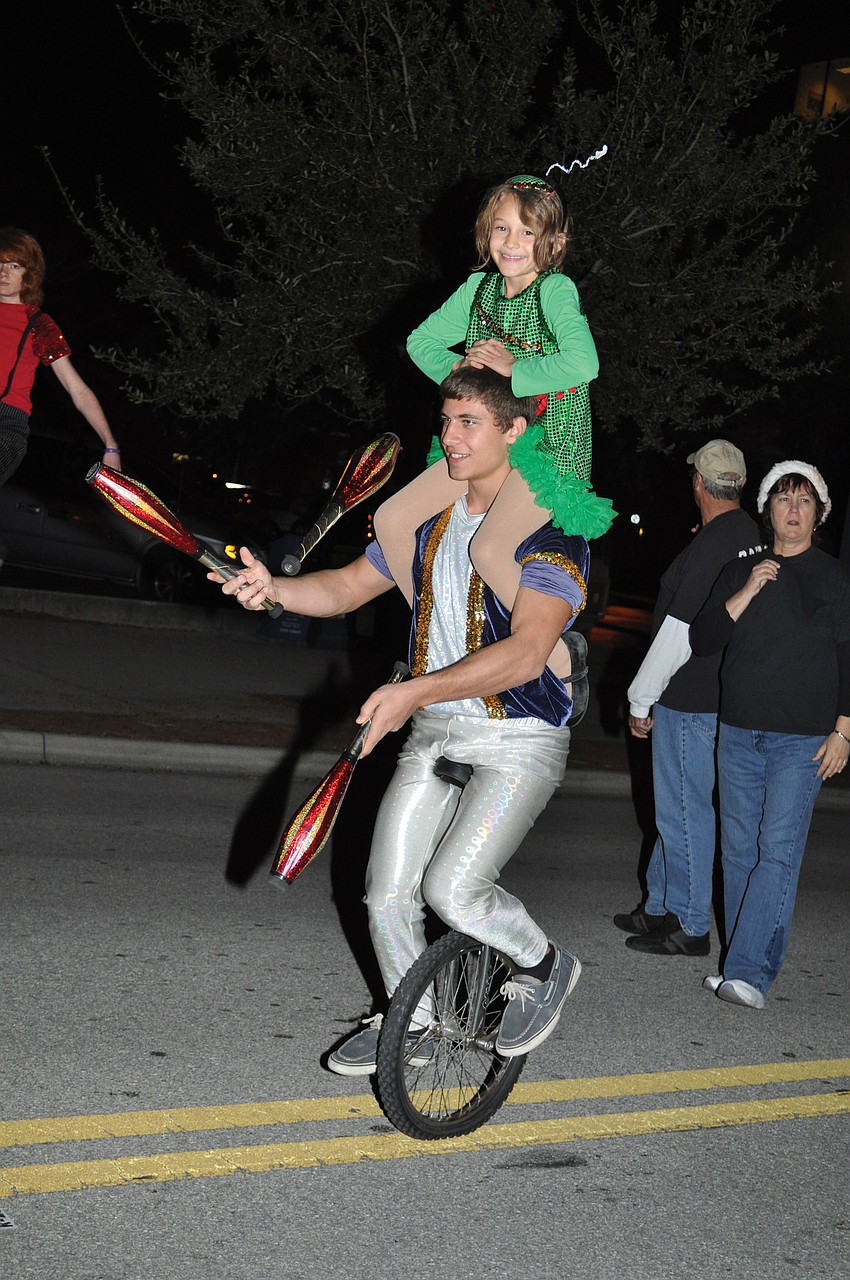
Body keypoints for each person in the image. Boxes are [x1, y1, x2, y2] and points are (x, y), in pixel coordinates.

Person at [216, 367, 588, 1073]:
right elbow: (349, 586)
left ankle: (544, 966)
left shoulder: (553, 529)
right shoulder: (428, 520)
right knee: (385, 893)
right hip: (438, 726)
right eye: (445, 421)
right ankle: (412, 1020)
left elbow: (528, 652)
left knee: (454, 891)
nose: (449, 437)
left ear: (516, 431)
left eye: (469, 423)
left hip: (519, 737)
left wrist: (411, 692)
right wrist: (274, 591)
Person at [374, 172, 614, 673]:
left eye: (528, 232)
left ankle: (560, 658)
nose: (513, 242)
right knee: (391, 520)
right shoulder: (477, 288)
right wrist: (461, 369)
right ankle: (439, 630)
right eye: (502, 228)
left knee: (488, 548)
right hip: (485, 442)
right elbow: (420, 342)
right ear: (486, 232)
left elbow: (584, 364)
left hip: (546, 446)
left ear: (553, 242)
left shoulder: (555, 289)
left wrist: (513, 369)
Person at [690, 461, 850, 1007]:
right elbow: (704, 639)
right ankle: (751, 964)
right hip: (737, 732)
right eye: (784, 500)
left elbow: (848, 657)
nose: (794, 511)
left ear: (819, 513)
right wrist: (748, 592)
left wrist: (843, 730)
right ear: (768, 510)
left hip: (802, 740)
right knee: (738, 853)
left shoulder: (834, 576)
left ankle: (748, 973)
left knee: (776, 852)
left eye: (805, 501)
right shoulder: (742, 570)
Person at [614, 441, 763, 956]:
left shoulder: (714, 542)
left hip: (688, 696)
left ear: (698, 483)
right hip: (716, 693)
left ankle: (692, 923)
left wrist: (641, 699)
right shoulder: (748, 535)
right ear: (739, 485)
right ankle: (659, 904)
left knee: (684, 810)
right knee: (675, 806)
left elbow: (678, 630)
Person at [0, 227, 121, 488]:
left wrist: (110, 446)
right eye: (0, 264)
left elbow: (76, 389)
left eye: (14, 266)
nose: (4, 273)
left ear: (29, 276)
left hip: (6, 426)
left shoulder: (38, 324)